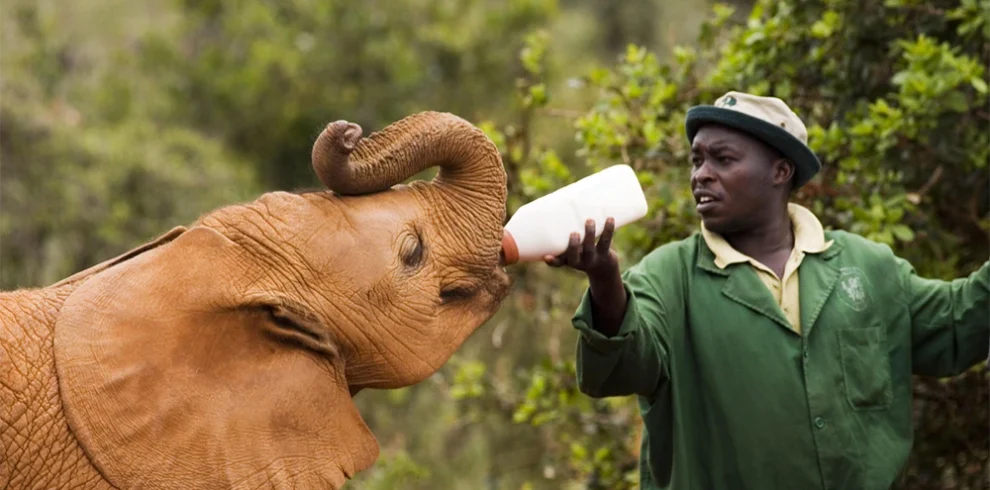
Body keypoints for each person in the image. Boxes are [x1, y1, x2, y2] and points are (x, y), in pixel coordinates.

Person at [545, 91, 990, 490]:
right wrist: (605, 283)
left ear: (780, 170)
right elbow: (620, 370)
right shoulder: (670, 277)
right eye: (697, 160)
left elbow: (957, 326)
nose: (702, 174)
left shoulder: (866, 268)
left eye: (723, 159)